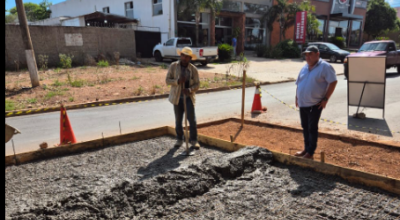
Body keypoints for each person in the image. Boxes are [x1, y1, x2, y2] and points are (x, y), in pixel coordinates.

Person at [294, 45, 338, 159]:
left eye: (310, 54)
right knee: (305, 127)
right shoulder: (304, 67)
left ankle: (310, 152)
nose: (307, 57)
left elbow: (333, 82)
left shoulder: (325, 67)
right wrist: (297, 96)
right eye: (306, 55)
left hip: (315, 104)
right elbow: (299, 83)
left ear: (317, 54)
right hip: (303, 104)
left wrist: (325, 99)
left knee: (312, 128)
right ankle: (306, 149)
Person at [166, 47, 200, 149]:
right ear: (180, 56)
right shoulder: (173, 66)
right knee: (178, 120)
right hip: (177, 98)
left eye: (187, 56)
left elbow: (197, 84)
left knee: (192, 120)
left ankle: (194, 140)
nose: (184, 58)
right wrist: (177, 81)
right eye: (183, 55)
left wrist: (189, 90)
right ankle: (179, 139)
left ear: (190, 58)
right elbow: (167, 80)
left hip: (188, 98)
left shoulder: (193, 69)